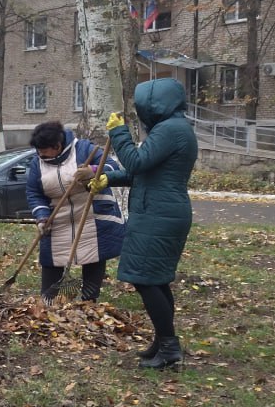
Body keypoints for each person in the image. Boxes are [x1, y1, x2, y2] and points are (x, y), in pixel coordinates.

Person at [98, 78, 199, 369]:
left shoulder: (169, 130)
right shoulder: (174, 129)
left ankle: (169, 347)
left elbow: (136, 162)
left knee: (145, 279)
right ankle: (164, 341)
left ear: (153, 105)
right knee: (154, 279)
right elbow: (146, 171)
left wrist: (118, 132)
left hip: (159, 215)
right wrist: (108, 178)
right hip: (159, 211)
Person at [25, 121, 125, 303]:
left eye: (44, 150)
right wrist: (41, 216)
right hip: (58, 218)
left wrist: (92, 171)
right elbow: (34, 193)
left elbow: (112, 167)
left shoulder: (84, 150)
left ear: (57, 146)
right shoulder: (37, 164)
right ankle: (48, 302)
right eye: (38, 151)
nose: (40, 155)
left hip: (90, 213)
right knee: (51, 259)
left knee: (93, 255)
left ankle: (89, 301)